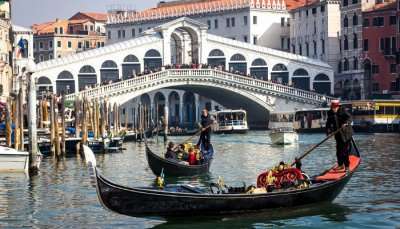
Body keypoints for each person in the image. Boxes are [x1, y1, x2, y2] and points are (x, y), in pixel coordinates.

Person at [326, 100, 353, 172]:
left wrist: (346, 123)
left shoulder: (343, 110)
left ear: (338, 106)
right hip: (337, 134)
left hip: (346, 133)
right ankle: (340, 165)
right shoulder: (330, 113)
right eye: (332, 107)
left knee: (344, 151)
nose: (333, 109)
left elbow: (349, 118)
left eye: (334, 107)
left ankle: (347, 166)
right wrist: (328, 132)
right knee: (338, 151)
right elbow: (328, 123)